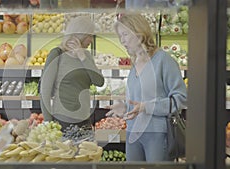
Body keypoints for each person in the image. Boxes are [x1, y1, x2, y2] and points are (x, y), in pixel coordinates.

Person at [106, 13, 187, 162]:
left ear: (139, 33)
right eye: (120, 36)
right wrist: (124, 107)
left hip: (157, 135)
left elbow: (181, 99)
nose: (122, 41)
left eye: (125, 35)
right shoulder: (135, 63)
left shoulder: (164, 61)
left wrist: (147, 107)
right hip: (132, 134)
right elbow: (138, 102)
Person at [40, 16, 105, 131]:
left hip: (85, 118)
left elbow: (99, 81)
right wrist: (48, 123)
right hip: (63, 119)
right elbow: (44, 91)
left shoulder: (86, 56)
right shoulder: (57, 54)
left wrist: (82, 56)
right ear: (80, 35)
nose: (91, 39)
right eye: (89, 35)